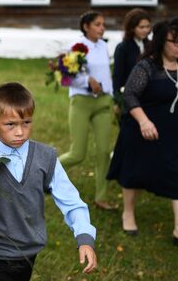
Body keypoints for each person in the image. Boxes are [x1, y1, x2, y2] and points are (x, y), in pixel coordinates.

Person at [0, 82, 97, 280]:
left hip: (29, 252)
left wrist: (85, 238)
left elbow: (70, 200)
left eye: (26, 122)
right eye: (10, 124)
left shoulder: (46, 157)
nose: (20, 132)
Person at [107, 18, 178, 249]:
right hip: (143, 129)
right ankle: (128, 214)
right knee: (135, 171)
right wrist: (144, 121)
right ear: (162, 42)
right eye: (176, 42)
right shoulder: (147, 66)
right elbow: (130, 95)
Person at [58, 11, 114, 210]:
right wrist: (87, 81)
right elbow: (65, 78)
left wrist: (112, 97)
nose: (102, 27)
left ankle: (101, 196)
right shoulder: (75, 47)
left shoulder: (104, 45)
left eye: (103, 24)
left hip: (104, 103)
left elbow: (107, 74)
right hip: (81, 102)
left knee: (104, 151)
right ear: (86, 27)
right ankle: (45, 175)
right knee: (78, 153)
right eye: (98, 24)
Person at [112, 8, 151, 120]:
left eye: (147, 27)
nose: (145, 30)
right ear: (132, 28)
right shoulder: (123, 48)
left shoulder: (151, 46)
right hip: (129, 96)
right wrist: (117, 101)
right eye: (141, 27)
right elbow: (117, 75)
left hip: (149, 96)